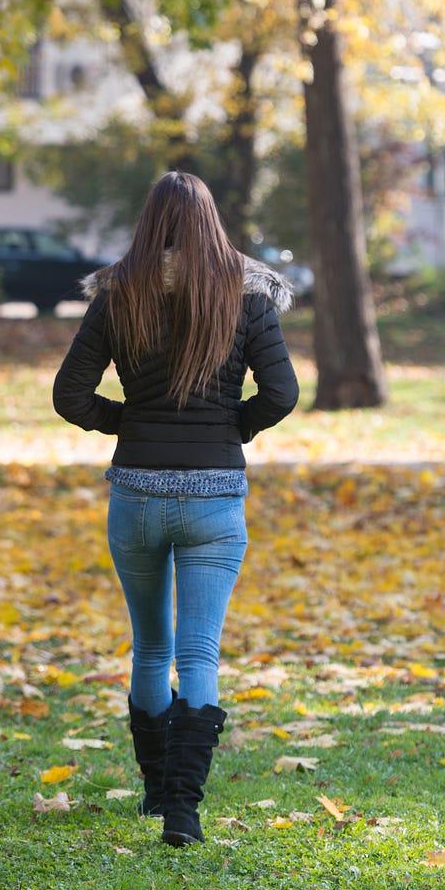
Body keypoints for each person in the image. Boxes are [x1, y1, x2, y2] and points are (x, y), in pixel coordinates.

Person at [52, 171, 299, 846]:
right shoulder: (247, 296)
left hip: (135, 493)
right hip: (215, 498)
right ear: (212, 223)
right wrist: (234, 427)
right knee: (199, 654)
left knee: (150, 646)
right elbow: (282, 391)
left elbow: (69, 395)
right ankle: (184, 812)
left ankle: (157, 791)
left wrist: (126, 423)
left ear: (149, 223)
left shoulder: (117, 293)